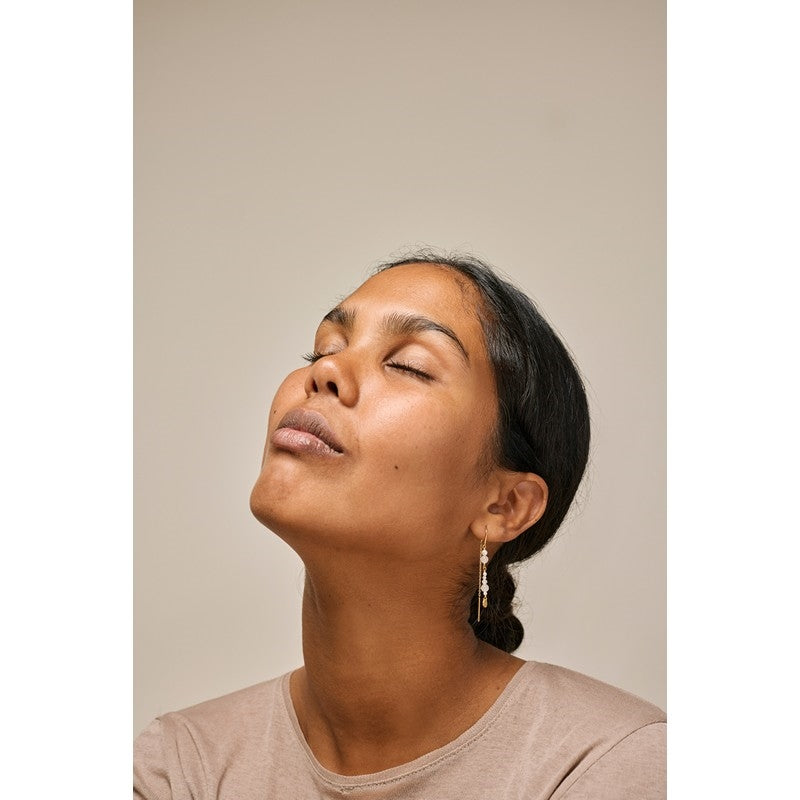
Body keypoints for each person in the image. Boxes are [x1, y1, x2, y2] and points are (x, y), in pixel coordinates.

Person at [134, 252, 666, 799]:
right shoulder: (183, 766)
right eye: (324, 349)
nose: (324, 372)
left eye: (409, 365)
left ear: (505, 505)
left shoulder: (608, 762)